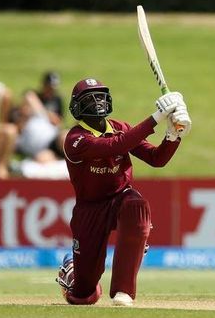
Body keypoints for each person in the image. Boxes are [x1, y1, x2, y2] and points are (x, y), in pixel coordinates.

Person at [56, 78, 191, 306]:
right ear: (77, 106)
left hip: (120, 198)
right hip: (90, 209)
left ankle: (123, 292)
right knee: (83, 296)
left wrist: (172, 134)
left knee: (136, 205)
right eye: (90, 97)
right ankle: (71, 270)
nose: (97, 101)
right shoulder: (75, 139)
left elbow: (157, 159)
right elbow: (115, 146)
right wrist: (157, 116)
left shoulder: (120, 128)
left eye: (100, 95)